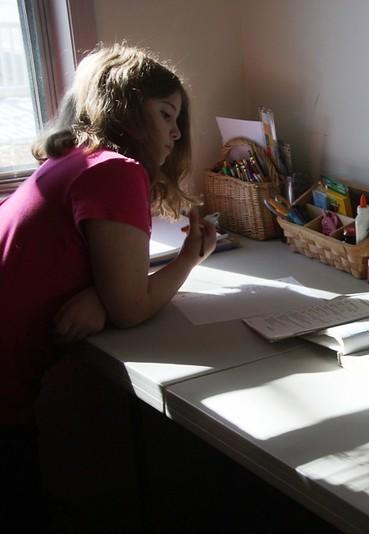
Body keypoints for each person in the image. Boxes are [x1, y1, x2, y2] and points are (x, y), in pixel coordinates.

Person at [0, 43, 217, 525]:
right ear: (126, 107)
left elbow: (87, 277)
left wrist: (103, 294)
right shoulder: (116, 170)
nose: (177, 131)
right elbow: (131, 309)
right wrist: (188, 258)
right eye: (165, 113)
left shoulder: (70, 161)